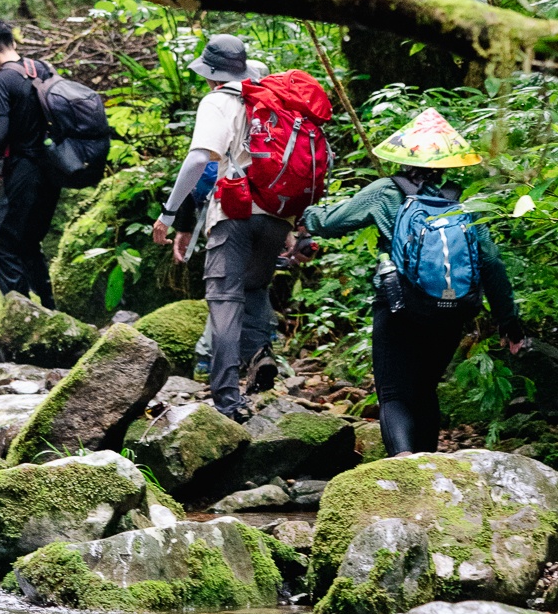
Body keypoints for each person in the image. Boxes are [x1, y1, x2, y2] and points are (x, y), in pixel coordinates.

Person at [299, 106, 524, 455]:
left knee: (394, 393)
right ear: (451, 160)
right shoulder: (466, 201)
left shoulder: (386, 191)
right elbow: (491, 262)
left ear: (403, 155)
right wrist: (509, 321)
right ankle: (429, 469)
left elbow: (329, 223)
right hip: (452, 309)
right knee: (424, 389)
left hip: (399, 305)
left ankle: (405, 466)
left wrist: (306, 213)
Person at [151, 33, 286, 420]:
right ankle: (260, 356)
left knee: (225, 301)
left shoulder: (218, 101)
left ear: (211, 75)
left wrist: (170, 212)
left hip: (237, 213)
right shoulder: (272, 101)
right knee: (254, 285)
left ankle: (227, 401)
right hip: (278, 213)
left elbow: (198, 160)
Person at [0, 17, 61, 306]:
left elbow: (0, 133)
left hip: (23, 171)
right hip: (53, 169)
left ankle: (20, 315)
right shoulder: (42, 69)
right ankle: (50, 308)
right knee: (28, 244)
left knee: (2, 248)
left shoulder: (0, 80)